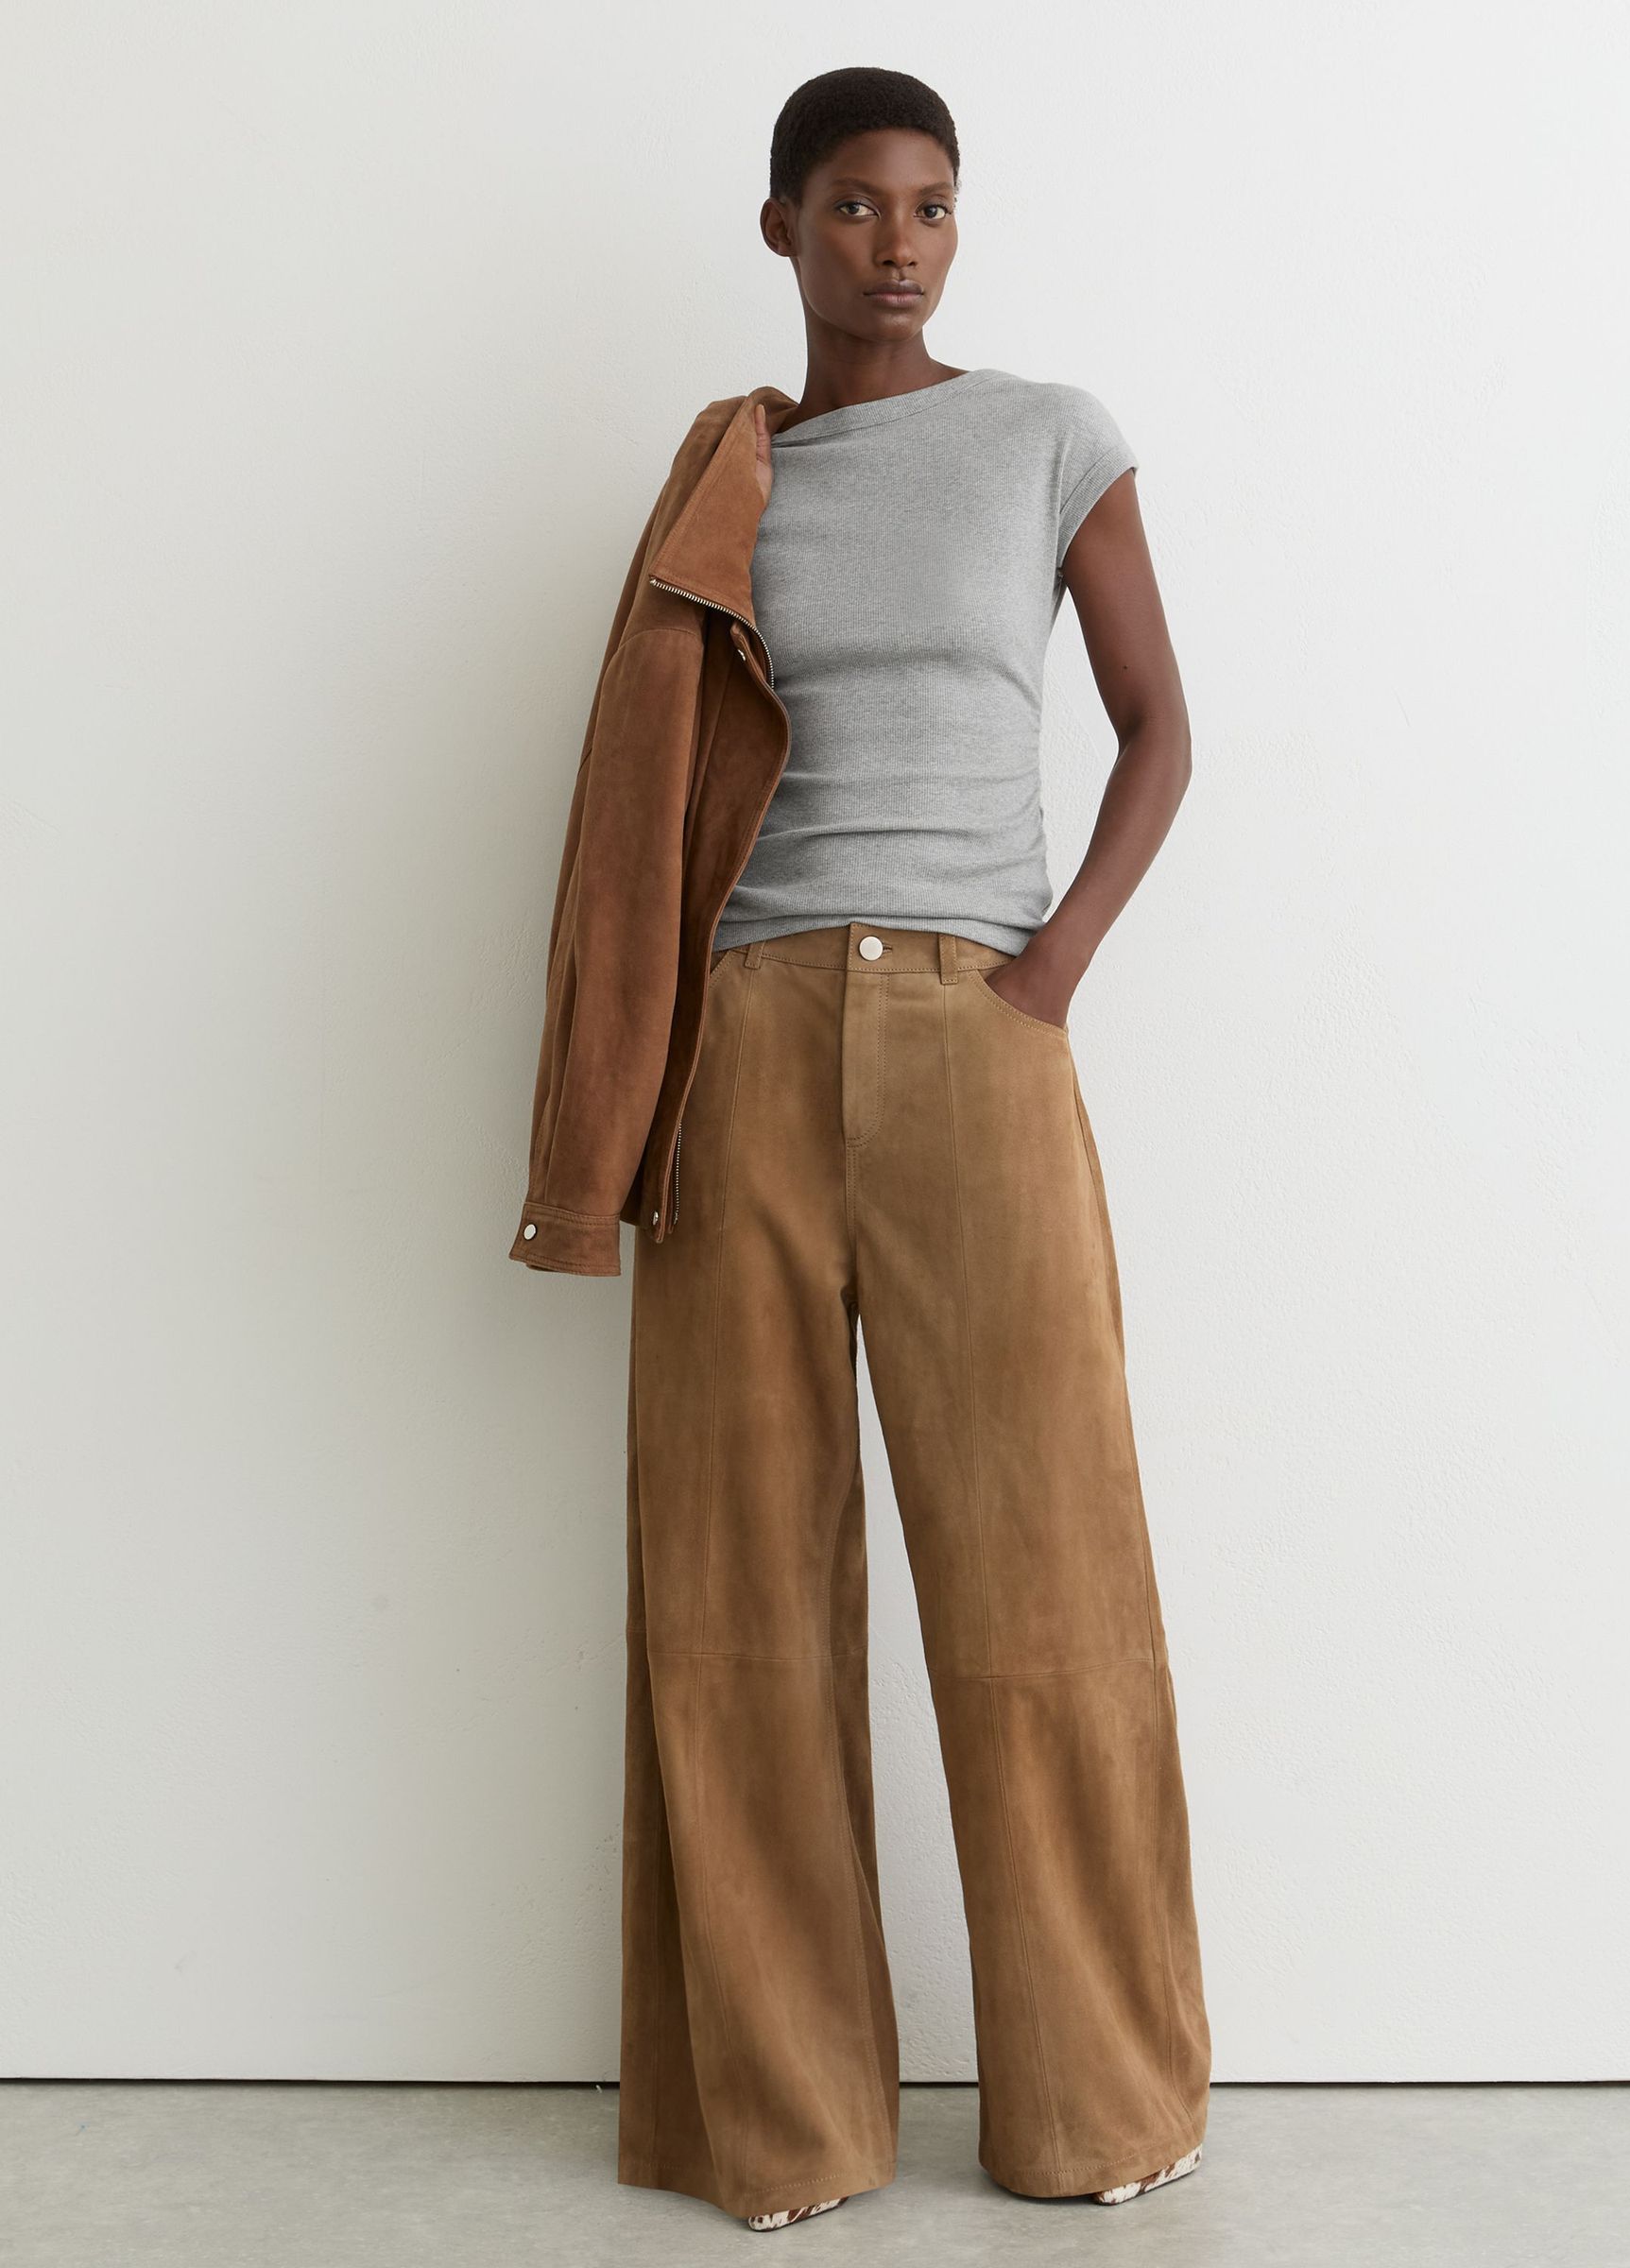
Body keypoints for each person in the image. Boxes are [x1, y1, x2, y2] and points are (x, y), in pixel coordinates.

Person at [517, 63, 1211, 2232]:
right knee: (737, 1588)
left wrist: (1050, 974)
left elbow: (1161, 727)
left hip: (975, 1031)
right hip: (746, 1032)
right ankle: (783, 2123)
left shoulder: (1047, 437)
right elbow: (661, 782)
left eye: (928, 205)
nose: (895, 243)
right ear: (782, 227)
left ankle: (1098, 2109)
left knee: (1043, 1569)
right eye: (850, 205)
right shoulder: (732, 478)